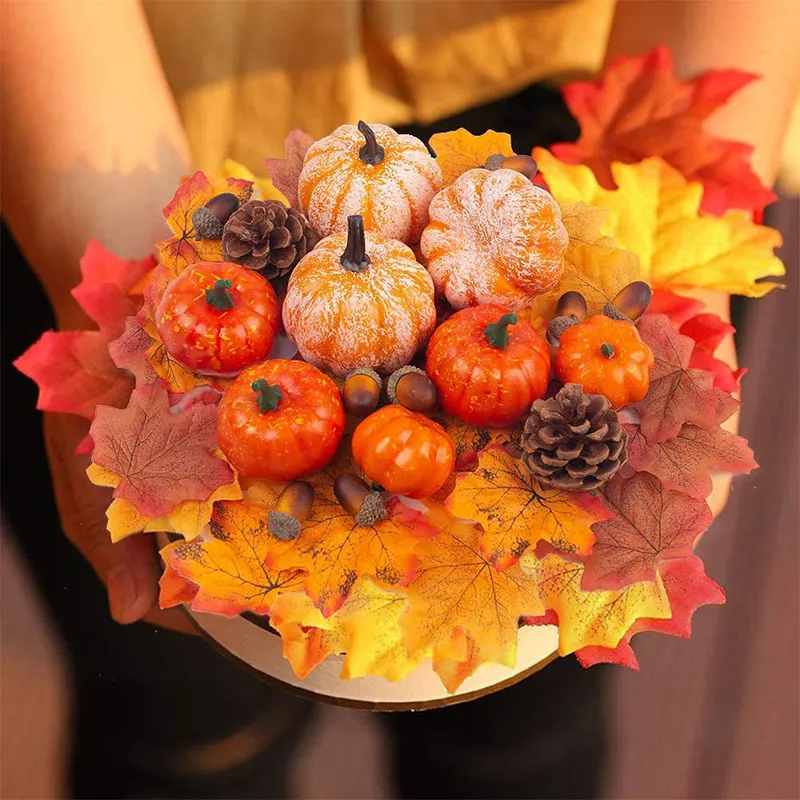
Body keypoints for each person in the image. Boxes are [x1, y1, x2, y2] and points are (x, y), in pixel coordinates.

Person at [2, 1, 798, 797]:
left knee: (519, 726)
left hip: (571, 131)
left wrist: (683, 205)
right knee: (183, 726)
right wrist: (106, 265)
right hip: (112, 126)